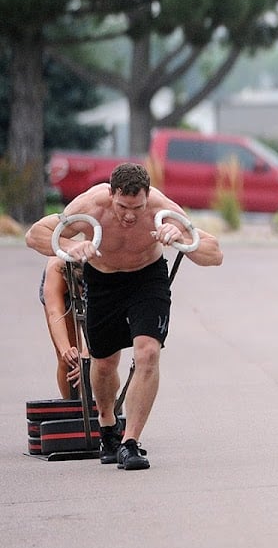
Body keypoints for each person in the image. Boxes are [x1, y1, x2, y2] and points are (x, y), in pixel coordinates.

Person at [26, 163, 223, 470]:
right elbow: (35, 234)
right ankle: (107, 428)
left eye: (137, 207)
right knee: (105, 364)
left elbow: (214, 253)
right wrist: (70, 245)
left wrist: (181, 239)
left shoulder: (161, 207)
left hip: (147, 280)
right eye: (122, 206)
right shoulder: (91, 204)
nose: (130, 215)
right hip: (103, 280)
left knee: (148, 353)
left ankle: (130, 443)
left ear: (147, 199)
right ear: (112, 194)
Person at [40, 256, 86, 399]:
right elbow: (55, 313)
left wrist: (88, 354)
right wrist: (65, 350)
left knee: (101, 358)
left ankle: (105, 409)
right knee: (69, 359)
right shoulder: (56, 270)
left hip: (99, 293)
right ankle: (70, 406)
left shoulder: (102, 271)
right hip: (60, 293)